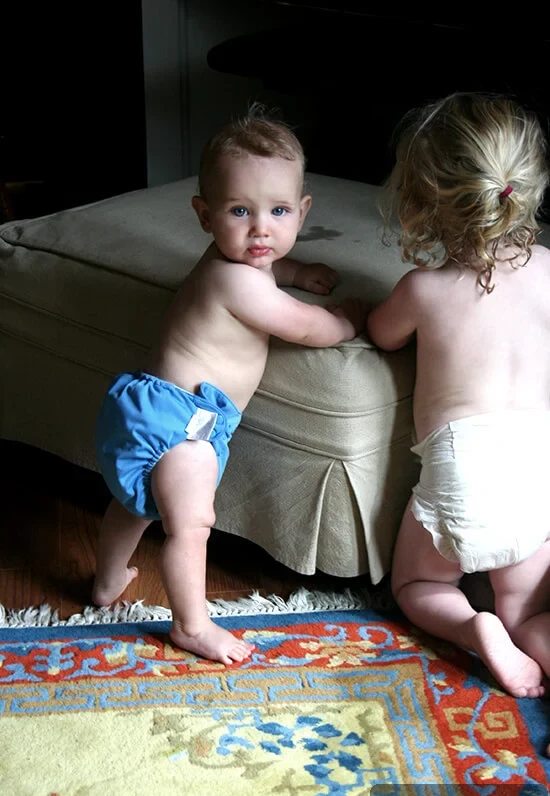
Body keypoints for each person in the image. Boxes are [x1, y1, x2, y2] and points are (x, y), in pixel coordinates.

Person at [94, 108, 364, 665]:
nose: (261, 228)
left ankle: (106, 580)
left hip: (151, 407)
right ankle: (191, 625)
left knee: (132, 504)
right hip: (186, 424)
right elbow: (305, 326)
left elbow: (263, 266)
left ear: (302, 212)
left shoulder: (233, 260)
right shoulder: (236, 280)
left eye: (279, 211)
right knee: (191, 525)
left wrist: (297, 270)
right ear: (205, 214)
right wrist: (345, 318)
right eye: (240, 210)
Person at [366, 92, 550, 699]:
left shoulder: (423, 289)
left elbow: (380, 333)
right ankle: (519, 629)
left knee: (417, 586)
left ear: (424, 203)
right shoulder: (548, 268)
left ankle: (476, 628)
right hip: (536, 478)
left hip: (463, 479)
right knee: (528, 613)